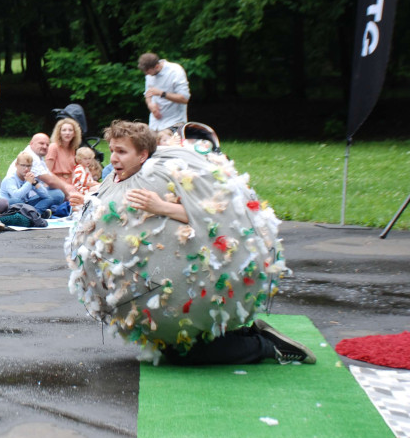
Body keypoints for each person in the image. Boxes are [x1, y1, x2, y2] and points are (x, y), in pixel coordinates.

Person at [85, 120, 314, 365]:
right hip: (175, 288)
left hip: (208, 274)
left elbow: (215, 216)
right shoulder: (122, 180)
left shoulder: (164, 175)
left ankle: (265, 345)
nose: (113, 158)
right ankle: (248, 335)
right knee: (177, 345)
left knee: (181, 354)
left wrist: (161, 207)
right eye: (112, 150)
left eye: (121, 151)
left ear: (142, 154)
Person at [4, 133, 74, 202]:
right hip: (20, 199)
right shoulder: (31, 157)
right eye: (41, 143)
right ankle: (38, 211)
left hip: (29, 192)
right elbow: (50, 181)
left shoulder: (36, 155)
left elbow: (50, 175)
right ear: (31, 143)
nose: (45, 147)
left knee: (55, 191)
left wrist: (66, 187)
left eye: (47, 145)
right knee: (58, 195)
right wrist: (67, 195)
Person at [138, 52, 191, 132]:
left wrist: (161, 93)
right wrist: (150, 104)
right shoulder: (149, 74)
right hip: (155, 125)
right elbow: (148, 94)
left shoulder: (175, 71)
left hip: (174, 123)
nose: (146, 74)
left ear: (157, 66)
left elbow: (184, 99)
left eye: (148, 72)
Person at [0, 152, 63, 216]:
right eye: (23, 165)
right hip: (9, 206)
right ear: (16, 165)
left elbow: (46, 195)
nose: (26, 169)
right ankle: (35, 214)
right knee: (15, 201)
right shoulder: (10, 179)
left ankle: (35, 214)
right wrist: (29, 182)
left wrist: (34, 183)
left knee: (57, 194)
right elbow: (17, 196)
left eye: (29, 166)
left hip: (25, 204)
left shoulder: (29, 177)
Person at [45, 117, 83, 187]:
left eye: (70, 130)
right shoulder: (53, 147)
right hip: (56, 183)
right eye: (64, 130)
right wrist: (65, 186)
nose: (67, 133)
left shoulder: (72, 149)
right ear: (59, 133)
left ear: (74, 133)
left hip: (72, 182)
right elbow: (47, 172)